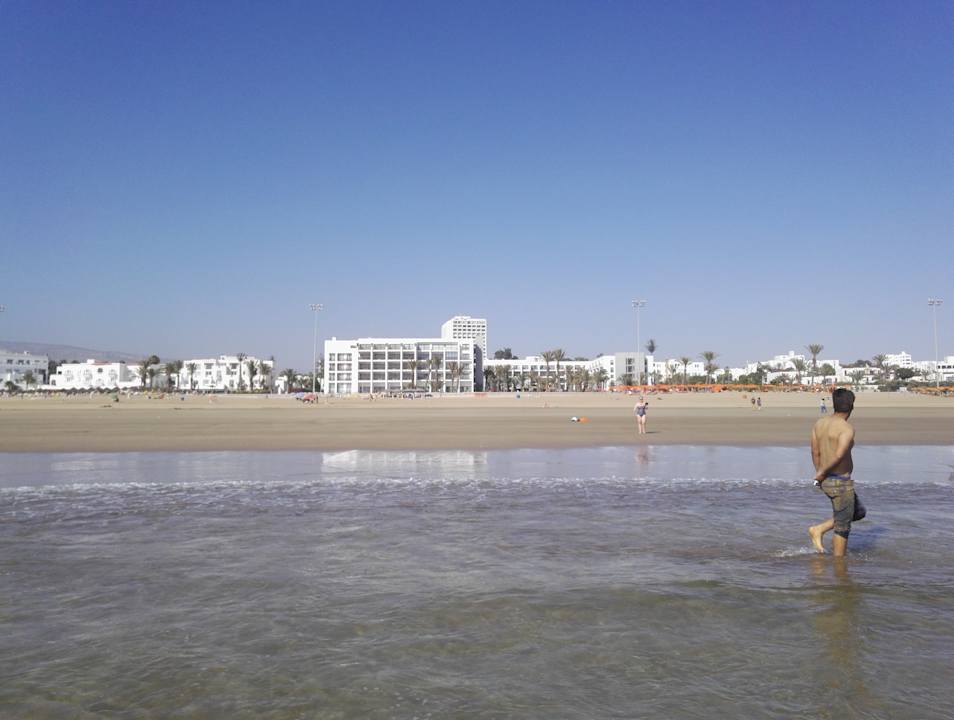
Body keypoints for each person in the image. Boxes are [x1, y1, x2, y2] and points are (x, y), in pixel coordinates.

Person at [808, 388, 867, 556]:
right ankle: (839, 565)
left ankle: (819, 529)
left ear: (834, 404)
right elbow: (839, 455)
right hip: (839, 481)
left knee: (858, 512)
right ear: (852, 406)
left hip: (826, 479)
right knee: (842, 527)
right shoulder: (846, 429)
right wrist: (821, 472)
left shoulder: (820, 423)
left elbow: (815, 451)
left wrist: (820, 474)